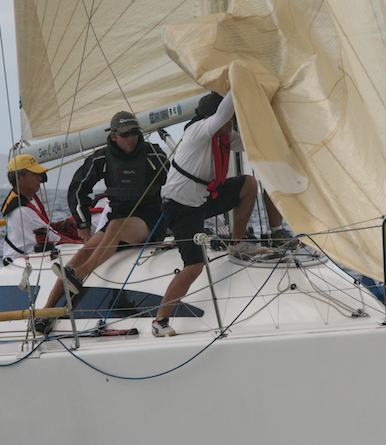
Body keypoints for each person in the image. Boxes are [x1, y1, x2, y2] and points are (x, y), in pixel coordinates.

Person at [34, 111, 169, 333]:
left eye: (134, 133)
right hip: (118, 222)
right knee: (80, 254)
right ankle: (46, 313)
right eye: (125, 134)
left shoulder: (152, 153)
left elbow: (174, 181)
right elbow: (78, 188)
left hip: (150, 221)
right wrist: (83, 223)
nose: (131, 138)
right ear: (113, 136)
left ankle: (80, 275)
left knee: (114, 227)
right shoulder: (102, 158)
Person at [151, 90, 268, 337]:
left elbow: (254, 144)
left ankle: (236, 244)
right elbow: (222, 114)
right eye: (229, 118)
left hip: (204, 199)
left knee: (249, 185)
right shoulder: (198, 131)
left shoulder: (225, 137)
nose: (231, 122)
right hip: (180, 208)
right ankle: (160, 320)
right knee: (194, 266)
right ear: (210, 118)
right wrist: (235, 84)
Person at [1, 154, 79, 263]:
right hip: (22, 263)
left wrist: (60, 226)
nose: (40, 178)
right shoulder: (23, 211)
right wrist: (89, 246)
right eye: (34, 174)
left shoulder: (26, 199)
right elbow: (57, 240)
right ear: (19, 178)